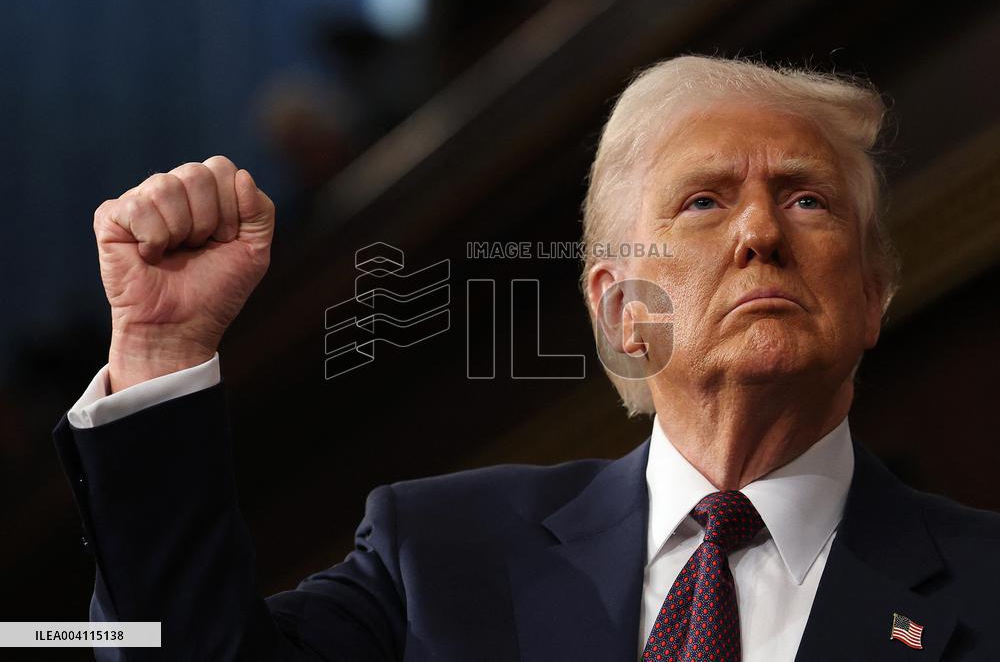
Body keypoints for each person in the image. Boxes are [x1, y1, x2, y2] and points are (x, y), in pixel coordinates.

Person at [53, 56, 1000, 661]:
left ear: (873, 295)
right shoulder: (436, 554)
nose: (759, 229)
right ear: (624, 308)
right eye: (704, 202)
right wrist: (163, 351)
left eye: (807, 200)